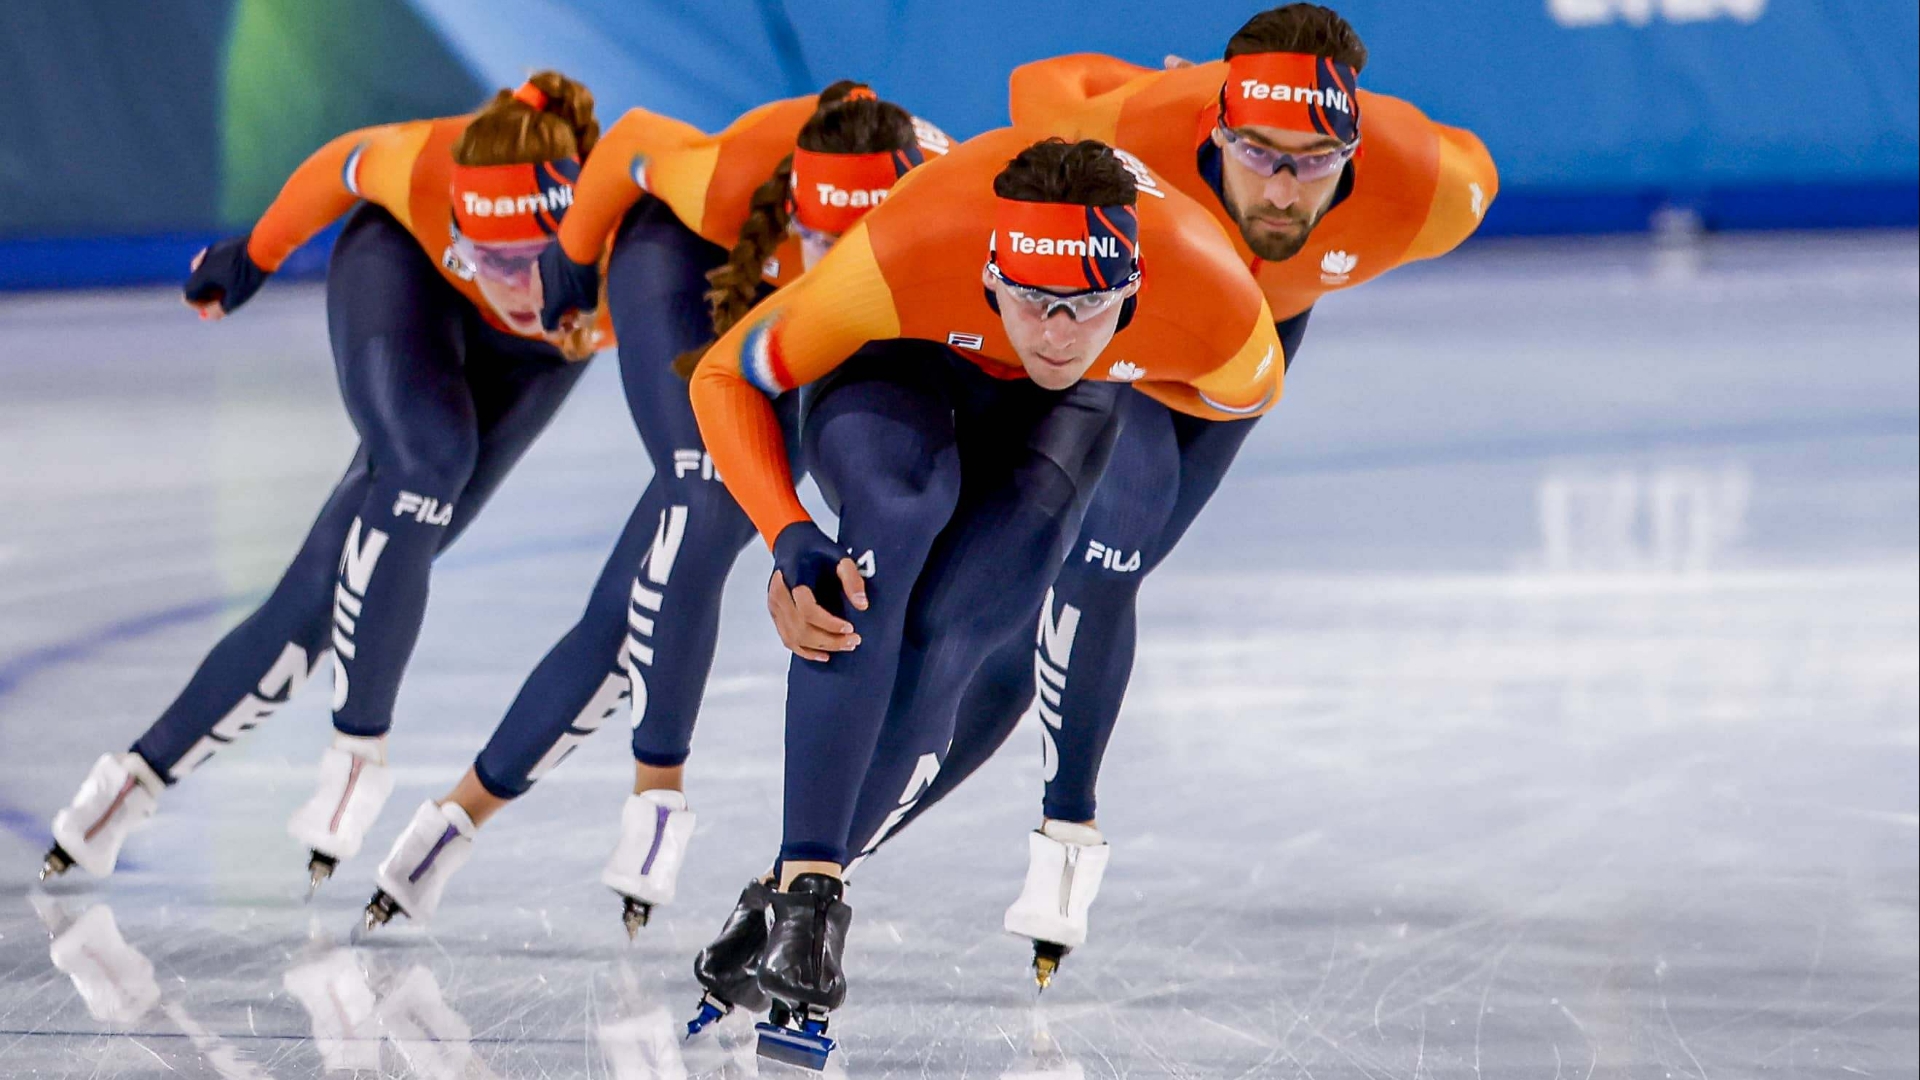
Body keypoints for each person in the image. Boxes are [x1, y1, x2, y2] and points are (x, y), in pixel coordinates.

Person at [851, 3, 1500, 988]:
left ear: (1357, 147)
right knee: (1102, 534)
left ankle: (974, 846)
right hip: (1137, 317)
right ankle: (862, 863)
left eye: (1315, 161)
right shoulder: (1143, 124)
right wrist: (1151, 88)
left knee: (1089, 590)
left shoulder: (1427, 189)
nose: (1279, 187)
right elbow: (1036, 85)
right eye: (1256, 151)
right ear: (1215, 125)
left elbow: (1473, 161)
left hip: (1251, 342)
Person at [686, 129, 1286, 1066]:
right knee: (892, 521)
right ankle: (811, 894)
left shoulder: (1217, 310)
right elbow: (726, 373)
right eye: (1033, 302)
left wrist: (1116, 512)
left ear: (1134, 295)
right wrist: (788, 533)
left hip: (1069, 413)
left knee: (956, 632)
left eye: (1086, 308)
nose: (1054, 334)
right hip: (904, 358)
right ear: (990, 277)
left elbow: (1228, 409)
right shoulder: (909, 249)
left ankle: (788, 900)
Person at [359, 83, 951, 939]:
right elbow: (635, 134)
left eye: (857, 240)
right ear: (793, 207)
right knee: (700, 497)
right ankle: (658, 796)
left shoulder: (948, 208)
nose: (837, 256)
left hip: (803, 320)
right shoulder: (727, 181)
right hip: (679, 266)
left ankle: (448, 825)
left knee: (632, 612)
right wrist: (572, 254)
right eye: (822, 238)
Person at [41, 73, 611, 895]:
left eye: (536, 261)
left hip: (543, 358)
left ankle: (132, 783)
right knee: (427, 463)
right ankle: (358, 753)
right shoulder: (422, 169)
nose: (516, 288)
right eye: (490, 260)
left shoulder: (625, 250)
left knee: (346, 573)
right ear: (461, 232)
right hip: (403, 276)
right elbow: (341, 165)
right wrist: (255, 256)